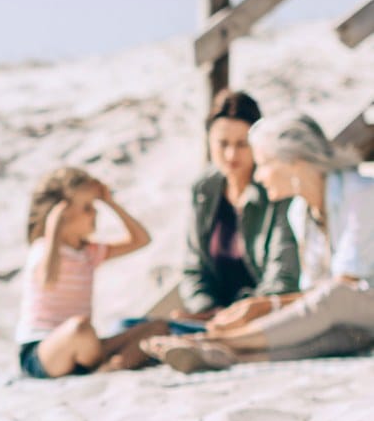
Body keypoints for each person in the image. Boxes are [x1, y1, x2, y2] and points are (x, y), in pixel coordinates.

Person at [145, 114, 374, 373]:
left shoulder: (363, 195)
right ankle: (228, 355)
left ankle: (212, 341)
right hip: (357, 323)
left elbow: (343, 286)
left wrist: (265, 305)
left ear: (294, 162)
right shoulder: (299, 212)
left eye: (264, 164)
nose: (259, 176)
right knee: (328, 336)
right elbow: (311, 294)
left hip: (357, 301)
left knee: (336, 298)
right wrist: (257, 307)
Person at [16, 166, 168, 378]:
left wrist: (110, 202)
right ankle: (105, 361)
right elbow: (48, 281)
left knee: (158, 327)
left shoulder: (88, 253)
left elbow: (141, 240)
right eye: (87, 207)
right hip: (42, 351)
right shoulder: (43, 249)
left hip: (85, 347)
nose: (95, 213)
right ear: (62, 214)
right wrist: (54, 227)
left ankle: (112, 367)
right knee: (80, 328)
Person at [180, 89, 300, 319]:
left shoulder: (275, 189)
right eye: (222, 143)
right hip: (211, 317)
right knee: (129, 327)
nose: (231, 154)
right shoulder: (204, 189)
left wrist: (239, 315)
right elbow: (193, 268)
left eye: (242, 144)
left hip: (265, 316)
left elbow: (283, 274)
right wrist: (205, 308)